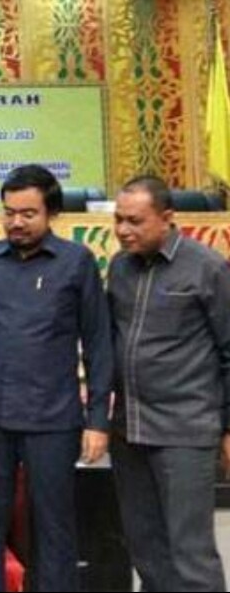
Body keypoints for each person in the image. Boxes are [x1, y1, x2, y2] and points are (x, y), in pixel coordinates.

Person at [0, 164, 113, 591]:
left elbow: (98, 344)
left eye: (28, 214)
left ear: (51, 213)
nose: (16, 223)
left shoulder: (76, 262)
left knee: (54, 526)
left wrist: (98, 420)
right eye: (9, 213)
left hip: (52, 419)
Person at [107, 175, 230, 591]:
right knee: (145, 550)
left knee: (190, 553)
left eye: (135, 221)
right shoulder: (120, 267)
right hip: (129, 431)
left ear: (167, 218)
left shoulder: (207, 268)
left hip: (185, 431)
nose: (124, 230)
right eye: (119, 220)